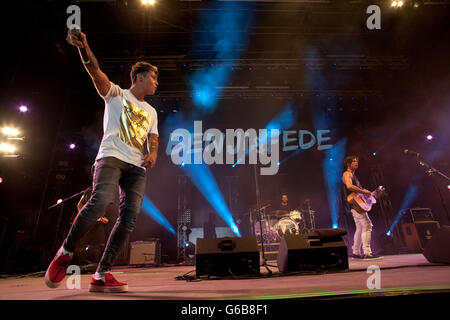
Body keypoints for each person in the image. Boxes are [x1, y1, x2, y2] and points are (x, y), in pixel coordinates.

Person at [44, 29, 159, 293]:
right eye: (153, 77)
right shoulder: (116, 94)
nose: (156, 82)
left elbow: (153, 138)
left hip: (137, 168)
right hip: (110, 158)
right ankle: (65, 252)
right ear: (139, 78)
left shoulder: (151, 111)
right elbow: (95, 71)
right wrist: (83, 47)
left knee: (129, 218)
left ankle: (102, 273)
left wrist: (152, 154)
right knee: (100, 202)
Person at [342, 156, 382, 260]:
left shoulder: (354, 176)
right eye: (354, 161)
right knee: (367, 225)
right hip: (354, 204)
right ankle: (367, 252)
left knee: (360, 228)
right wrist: (364, 191)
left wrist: (374, 194)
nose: (356, 163)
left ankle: (356, 252)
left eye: (357, 161)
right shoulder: (347, 174)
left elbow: (360, 195)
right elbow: (349, 186)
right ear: (348, 164)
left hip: (356, 204)